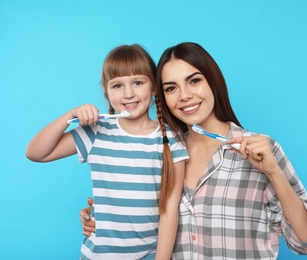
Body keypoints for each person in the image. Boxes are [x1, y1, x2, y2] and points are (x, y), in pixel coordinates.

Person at [80, 42, 307, 259]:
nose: (185, 96)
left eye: (194, 81)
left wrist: (274, 173)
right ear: (161, 96)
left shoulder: (260, 149)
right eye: (171, 88)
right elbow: (136, 214)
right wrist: (100, 220)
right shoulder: (165, 152)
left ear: (213, 81)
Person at [26, 44, 188, 259]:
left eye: (138, 83)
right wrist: (70, 116)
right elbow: (35, 153)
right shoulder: (96, 133)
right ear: (106, 91)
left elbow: (170, 208)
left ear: (154, 87)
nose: (128, 93)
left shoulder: (171, 139)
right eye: (117, 85)